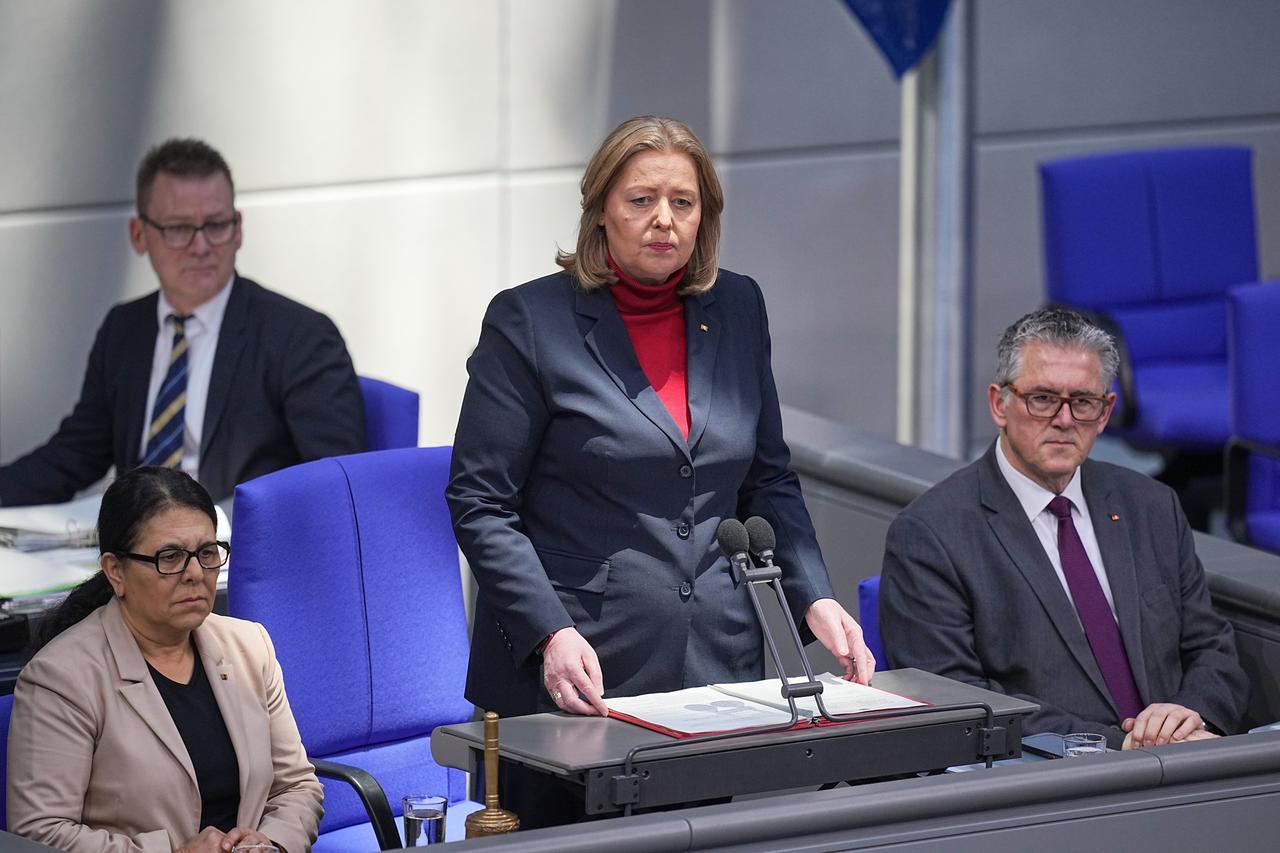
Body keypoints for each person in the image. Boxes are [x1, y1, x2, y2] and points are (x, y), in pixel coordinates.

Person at [447, 115, 873, 722]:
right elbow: (481, 502)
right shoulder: (530, 322)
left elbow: (768, 479)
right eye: (641, 200)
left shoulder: (739, 305)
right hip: (580, 664)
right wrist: (548, 633)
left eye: (683, 202)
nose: (664, 220)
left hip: (721, 657)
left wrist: (814, 596)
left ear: (706, 217)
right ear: (600, 210)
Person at [880, 306, 1249, 750]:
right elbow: (960, 703)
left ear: (1107, 410)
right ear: (999, 404)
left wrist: (1191, 713)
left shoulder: (1151, 505)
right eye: (1042, 399)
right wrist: (1118, 746)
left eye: (1083, 402)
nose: (1064, 419)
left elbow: (1212, 648)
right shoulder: (931, 534)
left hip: (1186, 764)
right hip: (1053, 793)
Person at [0, 137, 365, 508]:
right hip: (132, 548)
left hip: (234, 552)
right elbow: (74, 454)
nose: (202, 246)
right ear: (139, 235)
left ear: (238, 229)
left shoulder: (300, 337)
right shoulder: (124, 328)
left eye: (216, 225)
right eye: (179, 228)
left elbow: (334, 484)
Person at [7, 466, 324, 853]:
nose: (195, 573)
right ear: (115, 571)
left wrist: (272, 841)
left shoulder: (248, 645)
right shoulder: (61, 677)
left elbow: (296, 785)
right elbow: (39, 833)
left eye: (207, 553)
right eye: (170, 557)